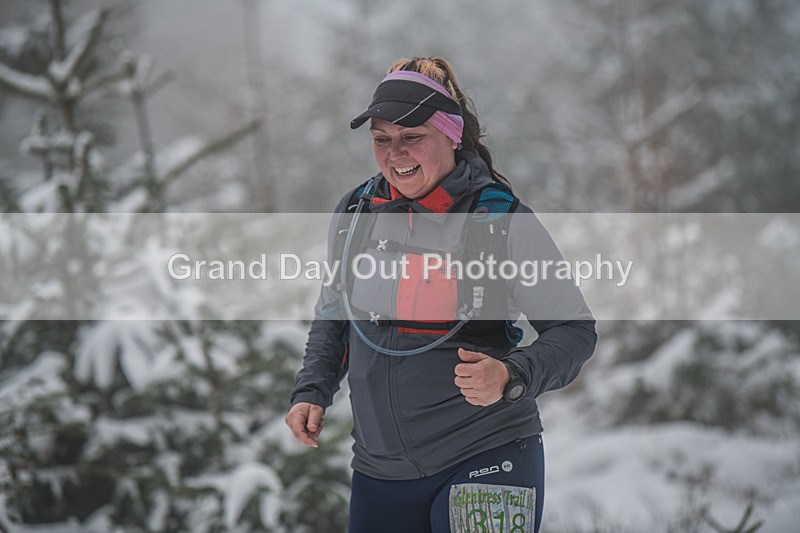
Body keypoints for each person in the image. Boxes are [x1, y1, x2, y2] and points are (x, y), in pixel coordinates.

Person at [285, 57, 596, 533]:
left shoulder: (500, 220)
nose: (396, 153)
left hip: (485, 453)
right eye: (382, 138)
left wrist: (512, 374)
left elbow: (574, 332)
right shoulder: (357, 212)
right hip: (379, 473)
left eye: (413, 136)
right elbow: (335, 313)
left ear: (452, 134)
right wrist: (313, 388)